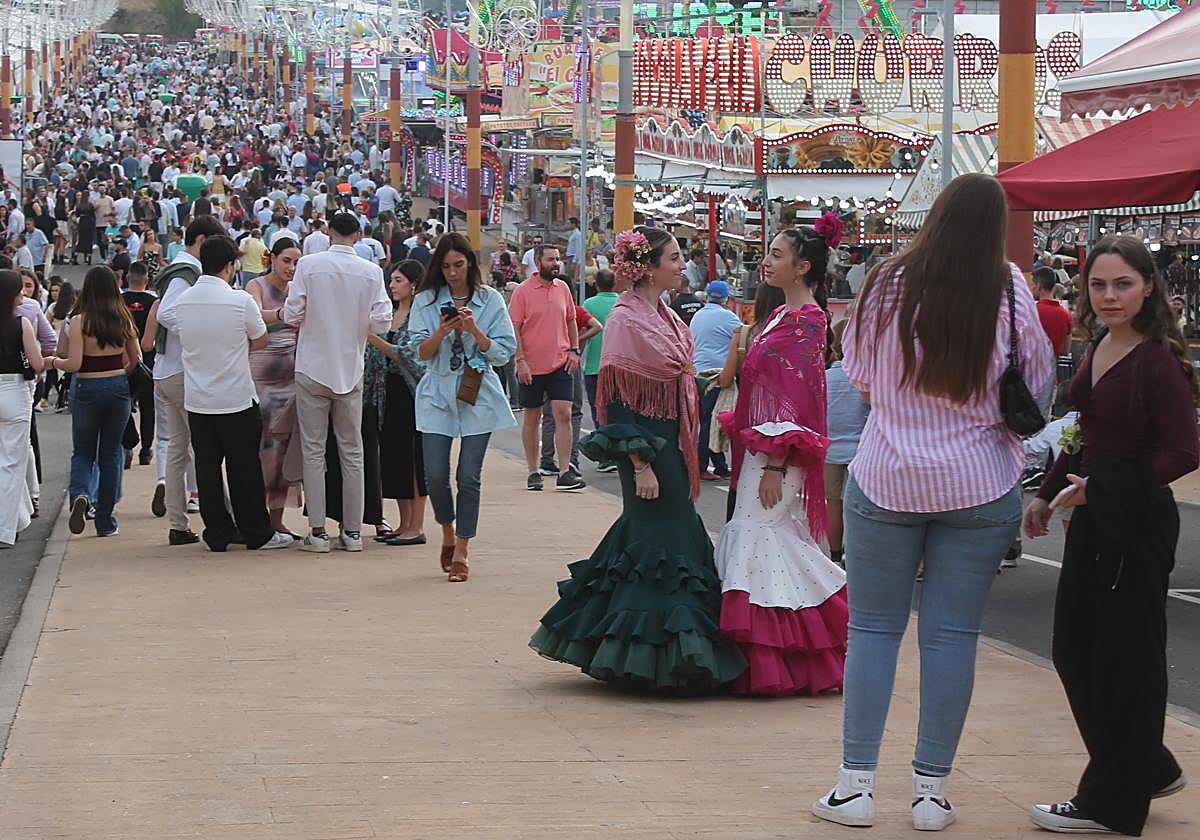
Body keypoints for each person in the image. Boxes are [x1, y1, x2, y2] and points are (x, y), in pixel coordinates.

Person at [811, 174, 1054, 831]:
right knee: (951, 637)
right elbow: (1036, 381)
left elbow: (859, 373)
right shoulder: (1009, 287)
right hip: (980, 483)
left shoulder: (886, 281)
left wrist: (902, 397)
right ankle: (930, 794)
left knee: (873, 631)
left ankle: (855, 787)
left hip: (887, 477)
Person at [1023, 235, 1198, 837]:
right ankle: (1146, 767)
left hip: (1137, 522)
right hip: (1096, 517)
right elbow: (1083, 434)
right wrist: (1046, 493)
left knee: (1127, 658)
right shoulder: (1098, 344)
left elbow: (1184, 451)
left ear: (1148, 286)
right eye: (1098, 284)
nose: (1109, 295)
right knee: (1075, 649)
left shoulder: (1159, 361)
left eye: (1123, 284)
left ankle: (1112, 800)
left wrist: (1104, 488)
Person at [530, 225, 746, 691]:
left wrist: (710, 379)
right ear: (648, 268)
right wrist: (640, 463)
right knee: (665, 538)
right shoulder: (627, 320)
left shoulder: (665, 313)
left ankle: (643, 652)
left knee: (656, 538)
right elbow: (616, 400)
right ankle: (653, 656)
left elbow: (675, 375)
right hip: (647, 448)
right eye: (674, 258)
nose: (682, 266)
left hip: (674, 441)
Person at [713, 221, 848, 696]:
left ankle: (780, 655)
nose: (766, 261)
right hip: (763, 447)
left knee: (760, 534)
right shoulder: (779, 316)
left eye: (776, 254)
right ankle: (793, 653)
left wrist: (775, 461)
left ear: (802, 266)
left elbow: (797, 396)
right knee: (769, 536)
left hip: (779, 453)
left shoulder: (808, 321)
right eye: (768, 252)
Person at [408, 233, 517, 582]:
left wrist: (474, 330)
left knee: (468, 475)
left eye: (459, 265)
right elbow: (418, 353)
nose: (453, 273)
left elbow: (504, 352)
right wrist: (441, 332)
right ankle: (448, 530)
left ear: (470, 263)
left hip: (477, 392)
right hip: (437, 392)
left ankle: (463, 549)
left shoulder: (490, 299)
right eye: (446, 267)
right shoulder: (426, 300)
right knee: (435, 474)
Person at [175, 235, 292, 552]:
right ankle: (256, 532)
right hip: (235, 398)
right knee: (244, 469)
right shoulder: (239, 301)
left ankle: (217, 532)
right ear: (229, 266)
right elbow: (261, 339)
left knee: (207, 468)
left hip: (198, 399)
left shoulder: (183, 301)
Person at [283, 211, 392, 553]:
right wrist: (356, 324)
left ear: (329, 232)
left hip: (312, 366)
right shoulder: (371, 271)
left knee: (314, 450)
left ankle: (317, 531)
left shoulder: (309, 266)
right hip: (350, 367)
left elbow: (292, 313)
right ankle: (353, 532)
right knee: (352, 451)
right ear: (358, 235)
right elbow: (383, 321)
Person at [49, 265, 143, 538]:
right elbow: (136, 359)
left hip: (86, 387)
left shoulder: (78, 320)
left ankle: (80, 494)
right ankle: (105, 521)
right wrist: (121, 373)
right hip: (117, 387)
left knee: (83, 452)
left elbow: (72, 362)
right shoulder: (123, 318)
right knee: (110, 455)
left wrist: (52, 361)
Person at [153, 215, 225, 546]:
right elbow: (166, 313)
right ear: (201, 242)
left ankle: (178, 524)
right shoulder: (187, 273)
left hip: (168, 370)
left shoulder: (180, 270)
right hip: (181, 370)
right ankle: (223, 517)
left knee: (179, 449)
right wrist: (200, 329)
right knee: (205, 448)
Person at [510, 244, 585, 492]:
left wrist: (574, 350)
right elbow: (514, 328)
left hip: (560, 363)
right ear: (538, 262)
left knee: (564, 414)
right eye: (551, 259)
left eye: (558, 259)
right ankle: (534, 471)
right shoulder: (522, 292)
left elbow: (571, 320)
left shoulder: (563, 288)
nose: (556, 264)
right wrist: (520, 360)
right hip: (531, 366)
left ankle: (564, 471)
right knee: (532, 417)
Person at [365, 259, 429, 546]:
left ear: (414, 285)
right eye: (391, 280)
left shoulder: (421, 317)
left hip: (411, 394)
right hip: (386, 393)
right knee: (396, 459)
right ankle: (404, 523)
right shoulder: (389, 314)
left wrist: (372, 338)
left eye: (398, 280)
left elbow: (410, 356)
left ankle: (417, 525)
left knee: (415, 460)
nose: (392, 285)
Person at [246, 238, 303, 536]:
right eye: (286, 261)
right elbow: (254, 316)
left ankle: (276, 517)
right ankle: (255, 515)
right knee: (258, 448)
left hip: (290, 378)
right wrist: (282, 315)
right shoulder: (255, 286)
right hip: (259, 376)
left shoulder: (297, 289)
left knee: (282, 450)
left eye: (296, 262)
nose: (291, 268)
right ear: (273, 259)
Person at [0, 269, 44, 548]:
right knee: (12, 464)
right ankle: (5, 529)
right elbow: (37, 364)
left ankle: (18, 519)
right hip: (13, 390)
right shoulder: (21, 323)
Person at [824, 319, 869, 568]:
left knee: (832, 503)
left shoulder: (824, 378)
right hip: (859, 451)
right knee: (856, 507)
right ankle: (853, 557)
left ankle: (834, 555)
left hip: (829, 450)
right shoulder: (864, 380)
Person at [538, 304, 601, 477]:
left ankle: (546, 460)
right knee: (573, 413)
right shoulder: (575, 311)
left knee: (549, 414)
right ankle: (571, 459)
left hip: (546, 363)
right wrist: (577, 341)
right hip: (570, 363)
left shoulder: (546, 309)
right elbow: (597, 326)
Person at [690, 280, 741, 481]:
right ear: (726, 298)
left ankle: (720, 466)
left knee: (707, 420)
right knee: (711, 422)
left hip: (698, 374)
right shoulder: (728, 317)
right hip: (718, 375)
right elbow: (744, 338)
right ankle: (701, 466)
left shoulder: (698, 315)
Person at [582, 268, 619, 471]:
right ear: (614, 284)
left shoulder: (589, 304)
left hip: (594, 365)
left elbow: (582, 330)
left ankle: (605, 456)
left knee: (598, 410)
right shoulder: (621, 303)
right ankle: (618, 452)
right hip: (618, 366)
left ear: (596, 285)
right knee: (615, 409)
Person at [120, 262, 157, 467]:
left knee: (124, 403)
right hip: (148, 361)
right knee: (147, 406)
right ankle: (146, 448)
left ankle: (127, 445)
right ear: (147, 279)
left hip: (123, 360)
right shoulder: (153, 302)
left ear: (127, 277)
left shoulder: (119, 301)